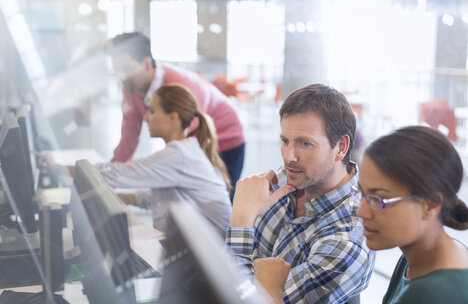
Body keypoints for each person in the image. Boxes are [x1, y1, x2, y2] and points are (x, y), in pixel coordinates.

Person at [225, 83, 375, 303]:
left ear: (341, 147)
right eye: (285, 141)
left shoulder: (347, 241)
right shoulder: (290, 177)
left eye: (305, 144)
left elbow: (243, 299)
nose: (289, 156)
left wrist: (240, 220)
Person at [44, 84, 232, 237]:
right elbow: (151, 196)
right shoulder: (185, 151)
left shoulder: (179, 155)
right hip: (201, 253)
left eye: (152, 111)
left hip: (210, 260)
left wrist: (58, 168)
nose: (145, 117)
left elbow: (117, 174)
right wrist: (114, 198)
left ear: (173, 117)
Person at [104, 32, 245, 198]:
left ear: (147, 63)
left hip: (225, 138)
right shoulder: (131, 87)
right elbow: (129, 137)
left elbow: (183, 150)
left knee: (219, 197)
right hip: (195, 140)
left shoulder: (180, 86)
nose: (121, 77)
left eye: (126, 69)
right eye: (117, 70)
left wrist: (113, 176)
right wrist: (107, 179)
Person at [356, 125, 468, 304]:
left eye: (378, 199)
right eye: (362, 193)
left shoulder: (434, 294)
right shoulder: (414, 258)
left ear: (431, 204)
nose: (361, 212)